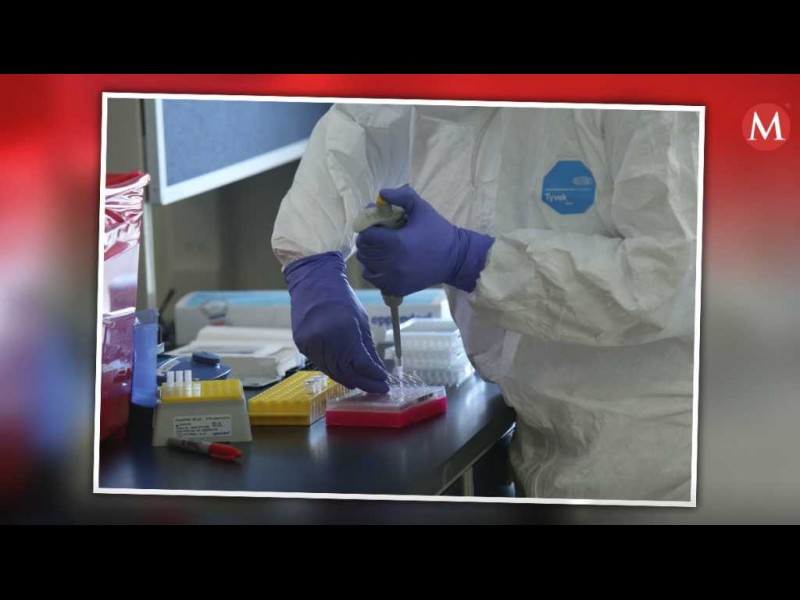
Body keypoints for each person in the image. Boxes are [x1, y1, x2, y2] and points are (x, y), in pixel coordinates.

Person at [272, 104, 699, 501]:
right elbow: (361, 122)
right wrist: (312, 260)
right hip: (543, 443)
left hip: (660, 459)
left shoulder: (651, 105)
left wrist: (475, 262)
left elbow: (671, 275)